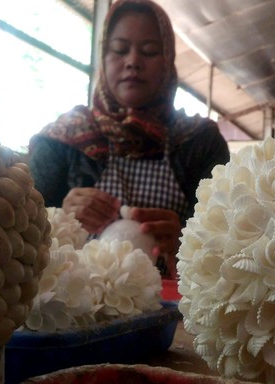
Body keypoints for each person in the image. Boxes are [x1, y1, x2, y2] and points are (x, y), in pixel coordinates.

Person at [28, 0, 230, 278]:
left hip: (173, 309)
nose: (133, 62)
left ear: (168, 61)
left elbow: (227, 240)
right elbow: (24, 237)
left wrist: (189, 239)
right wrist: (59, 217)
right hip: (76, 304)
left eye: (149, 51)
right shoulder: (62, 139)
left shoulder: (200, 141)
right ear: (103, 57)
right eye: (120, 50)